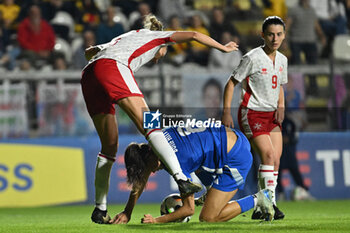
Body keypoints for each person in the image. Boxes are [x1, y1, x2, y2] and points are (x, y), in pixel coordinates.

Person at [81, 14, 238, 224]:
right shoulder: (159, 37)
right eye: (161, 55)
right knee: (153, 126)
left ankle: (100, 209)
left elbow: (89, 52)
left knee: (109, 147)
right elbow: (193, 34)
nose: (158, 58)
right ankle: (182, 180)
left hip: (89, 74)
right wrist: (223, 47)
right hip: (113, 67)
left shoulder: (129, 35)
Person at [111, 125, 274, 224]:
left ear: (149, 158)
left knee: (209, 217)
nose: (152, 172)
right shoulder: (156, 141)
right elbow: (142, 180)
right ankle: (208, 196)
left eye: (149, 168)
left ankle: (261, 199)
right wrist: (127, 212)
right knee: (198, 164)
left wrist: (156, 220)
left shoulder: (177, 162)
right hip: (233, 138)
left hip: (236, 158)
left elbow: (188, 210)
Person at [221, 16, 288, 220]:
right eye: (270, 34)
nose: (274, 38)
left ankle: (265, 206)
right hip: (252, 112)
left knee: (275, 160)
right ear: (262, 35)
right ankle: (267, 204)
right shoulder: (252, 57)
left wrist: (281, 106)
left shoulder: (283, 60)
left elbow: (280, 86)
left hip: (271, 114)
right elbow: (231, 83)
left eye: (278, 34)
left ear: (283, 36)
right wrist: (226, 111)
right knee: (267, 155)